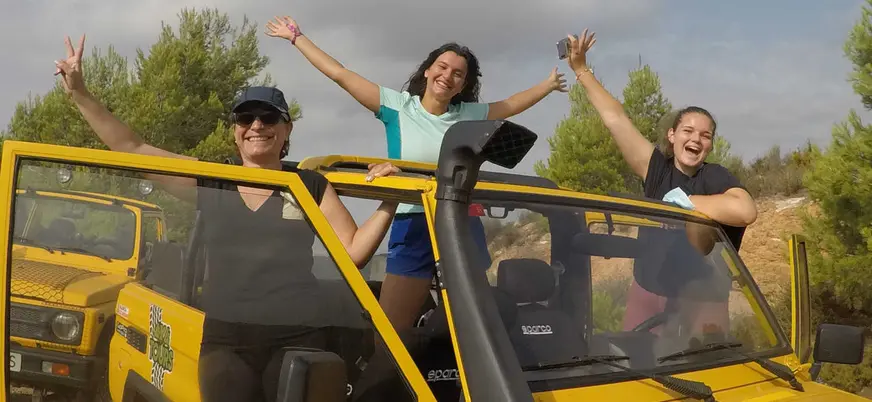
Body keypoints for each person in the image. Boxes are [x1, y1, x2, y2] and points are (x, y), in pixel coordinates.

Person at [54, 34, 400, 402]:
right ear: (234, 131)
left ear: (286, 130)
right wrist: (80, 94)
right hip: (226, 340)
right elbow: (131, 147)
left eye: (268, 117)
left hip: (298, 337)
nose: (256, 125)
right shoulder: (213, 182)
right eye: (245, 117)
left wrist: (388, 201)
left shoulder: (308, 184)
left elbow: (352, 253)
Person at [265, 15, 568, 331]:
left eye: (457, 74)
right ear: (427, 70)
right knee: (391, 328)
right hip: (413, 221)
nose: (447, 76)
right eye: (442, 67)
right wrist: (296, 37)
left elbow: (511, 105)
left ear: (463, 85)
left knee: (472, 327)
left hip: (460, 222)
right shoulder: (397, 107)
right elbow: (341, 74)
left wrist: (547, 85)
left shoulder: (470, 115)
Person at [562, 30, 757, 334]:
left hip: (703, 299)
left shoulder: (715, 176)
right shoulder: (657, 170)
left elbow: (745, 211)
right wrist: (581, 69)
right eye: (688, 131)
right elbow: (615, 118)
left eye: (706, 135)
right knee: (639, 369)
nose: (696, 139)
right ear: (672, 136)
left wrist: (686, 205)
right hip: (648, 294)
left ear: (710, 145)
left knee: (710, 372)